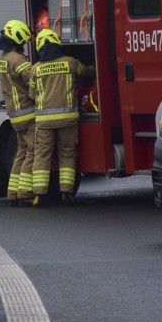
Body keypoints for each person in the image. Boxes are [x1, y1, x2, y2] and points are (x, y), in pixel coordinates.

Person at [28, 29, 95, 206]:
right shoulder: (71, 63)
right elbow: (86, 72)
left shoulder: (35, 69)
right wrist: (94, 67)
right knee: (67, 155)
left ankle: (40, 196)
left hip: (44, 122)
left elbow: (31, 95)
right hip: (68, 120)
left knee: (42, 156)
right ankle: (67, 193)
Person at [0, 20, 36, 205]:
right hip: (27, 112)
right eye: (22, 42)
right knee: (33, 151)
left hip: (14, 114)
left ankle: (12, 193)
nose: (23, 45)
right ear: (15, 40)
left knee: (21, 152)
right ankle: (24, 193)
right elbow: (33, 81)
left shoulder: (3, 59)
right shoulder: (18, 60)